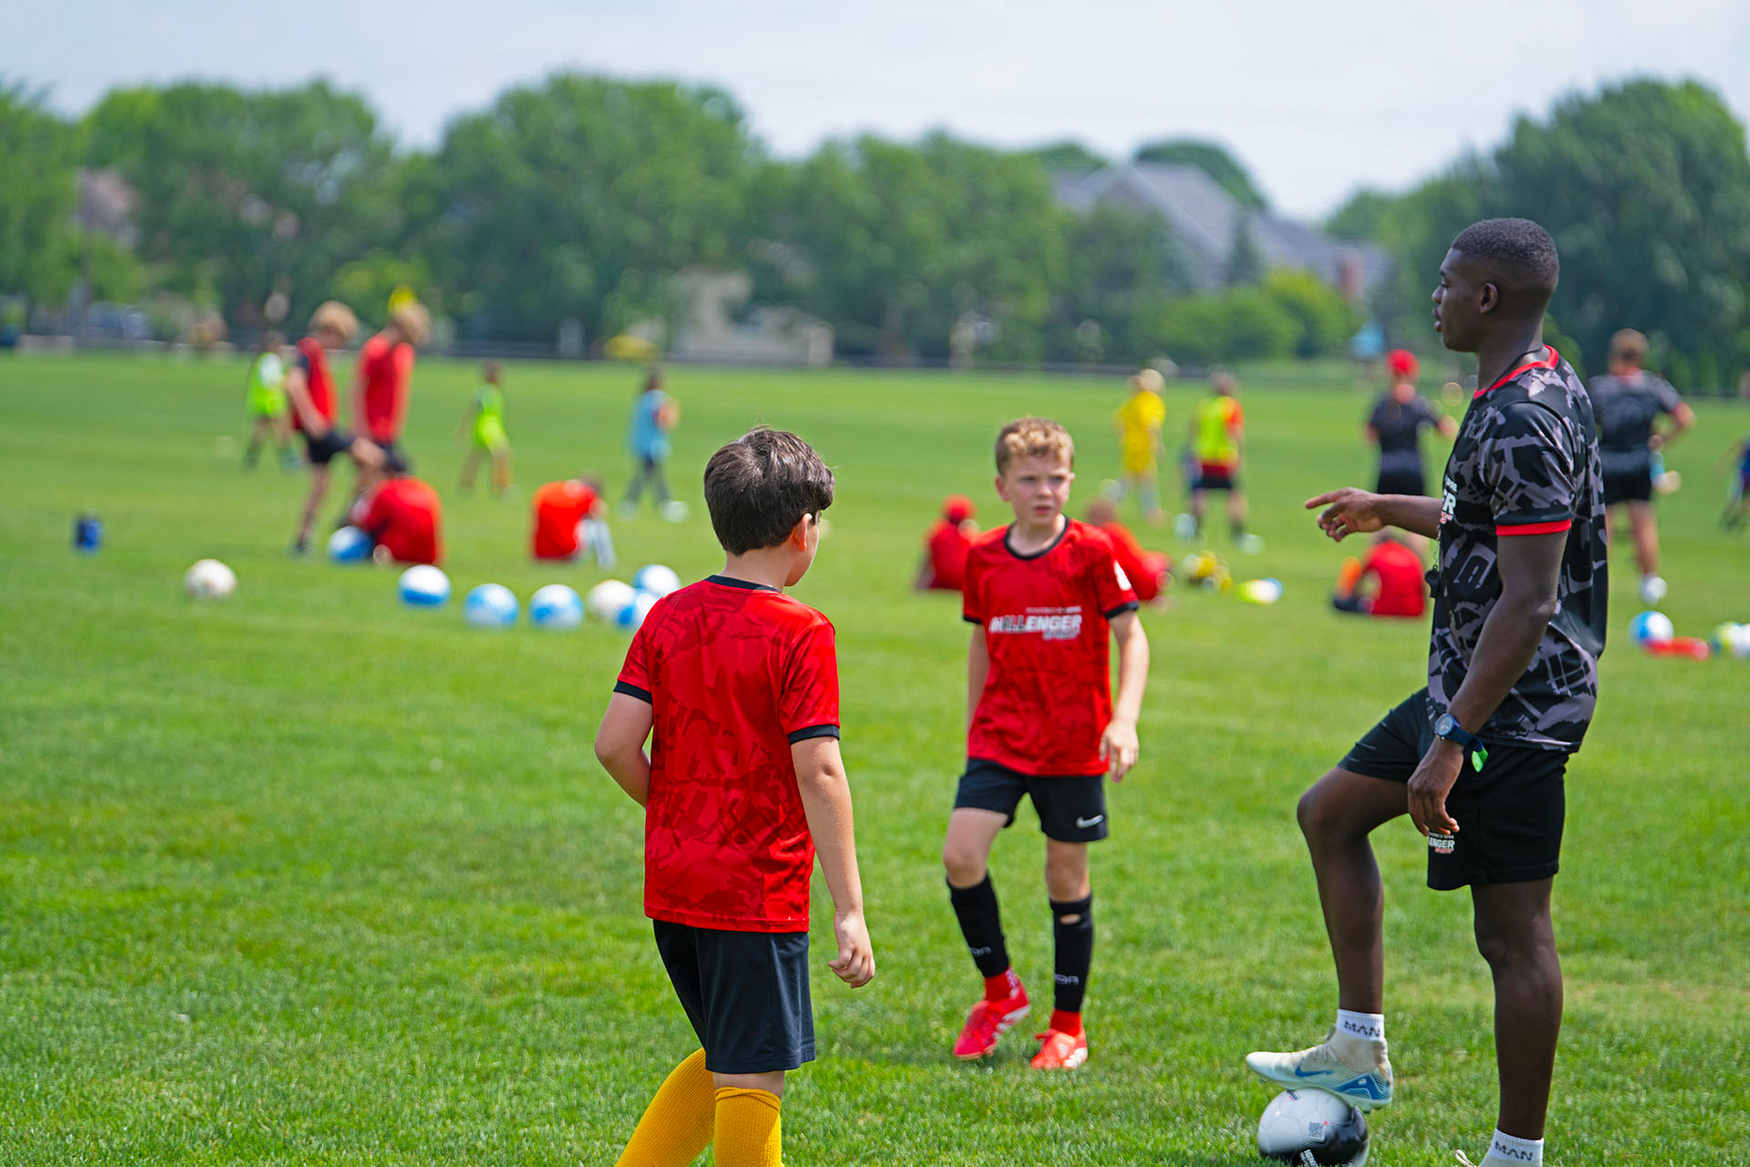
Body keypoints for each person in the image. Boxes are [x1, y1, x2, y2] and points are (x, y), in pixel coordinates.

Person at [1248, 218, 1606, 1167]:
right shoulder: (1518, 387)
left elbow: (1529, 601)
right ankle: (1358, 1046)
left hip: (1512, 710)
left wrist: (1452, 740)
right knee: (1328, 812)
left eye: (1450, 283)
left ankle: (1515, 1155)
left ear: (1487, 298)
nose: (1437, 296)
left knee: (1514, 936)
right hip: (1467, 687)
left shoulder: (1526, 415)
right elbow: (1484, 520)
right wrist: (1389, 512)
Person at [593, 427, 874, 1167]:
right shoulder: (802, 632)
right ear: (800, 531)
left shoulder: (667, 614)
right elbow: (820, 771)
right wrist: (849, 906)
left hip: (676, 882)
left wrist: (676, 812)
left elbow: (614, 744)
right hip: (755, 890)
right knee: (752, 1074)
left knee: (730, 1054)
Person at [942, 418, 1150, 1071]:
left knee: (1065, 875)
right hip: (1001, 735)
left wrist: (1125, 719)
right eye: (1029, 479)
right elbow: (980, 639)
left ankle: (1067, 1027)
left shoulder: (1092, 552)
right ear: (1002, 486)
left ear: (1070, 480)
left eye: (1056, 478)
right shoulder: (983, 556)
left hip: (1071, 741)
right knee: (960, 855)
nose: (1044, 490)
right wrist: (975, 719)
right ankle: (1000, 991)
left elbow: (1133, 637)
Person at [1588, 328, 1694, 604]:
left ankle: (1596, 583)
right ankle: (1650, 584)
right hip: (1640, 459)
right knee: (1643, 523)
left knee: (1604, 525)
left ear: (1614, 356)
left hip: (1607, 459)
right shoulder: (1653, 386)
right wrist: (1660, 441)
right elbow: (1684, 418)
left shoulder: (1600, 387)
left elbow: (1585, 425)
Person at [284, 302, 384, 556]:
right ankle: (351, 517)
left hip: (321, 429)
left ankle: (302, 541)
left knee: (320, 487)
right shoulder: (309, 349)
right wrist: (310, 417)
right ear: (331, 331)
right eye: (341, 338)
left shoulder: (315, 353)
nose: (340, 345)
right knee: (373, 459)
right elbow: (293, 383)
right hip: (321, 430)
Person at [350, 300, 430, 494]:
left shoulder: (404, 353)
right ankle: (351, 520)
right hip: (371, 430)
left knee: (378, 484)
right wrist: (360, 429)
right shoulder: (376, 350)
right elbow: (357, 390)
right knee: (384, 480)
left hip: (389, 430)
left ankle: (354, 519)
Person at [1367, 349, 1456, 496]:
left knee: (1386, 515)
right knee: (1415, 515)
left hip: (1387, 467)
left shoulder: (1382, 402)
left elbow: (1369, 435)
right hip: (1413, 468)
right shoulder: (1419, 402)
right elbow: (1446, 430)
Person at [1188, 371, 1259, 551]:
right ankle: (1238, 534)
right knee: (1235, 496)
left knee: (1200, 493)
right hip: (1224, 457)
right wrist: (1240, 454)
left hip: (1204, 456)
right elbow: (1234, 432)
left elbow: (1194, 429)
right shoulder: (1230, 406)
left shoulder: (1204, 405)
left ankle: (1196, 530)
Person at [351, 459, 443, 566]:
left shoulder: (386, 491)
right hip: (430, 557)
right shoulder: (426, 489)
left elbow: (368, 524)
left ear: (387, 472)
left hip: (397, 555)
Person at [1085, 497, 1170, 605]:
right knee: (1159, 561)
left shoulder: (1103, 535)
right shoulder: (1114, 531)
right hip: (1140, 578)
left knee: (1158, 562)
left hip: (1137, 583)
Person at [622, 367, 681, 518]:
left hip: (642, 443)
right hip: (652, 445)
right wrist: (672, 414)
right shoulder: (658, 398)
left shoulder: (643, 398)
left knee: (648, 475)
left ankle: (632, 503)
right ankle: (661, 504)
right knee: (651, 476)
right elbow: (661, 420)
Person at [1112, 368, 1168, 525]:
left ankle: (1111, 501)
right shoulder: (1151, 400)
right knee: (1144, 479)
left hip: (1131, 445)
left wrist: (1126, 438)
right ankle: (1150, 512)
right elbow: (1151, 424)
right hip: (1144, 446)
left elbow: (1118, 422)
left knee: (1133, 477)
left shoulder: (1133, 400)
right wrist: (1157, 443)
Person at [1330, 533, 1426, 619]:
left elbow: (1357, 587)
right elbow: (1422, 588)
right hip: (1414, 611)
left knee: (1339, 601)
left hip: (1384, 609)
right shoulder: (1411, 556)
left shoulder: (1376, 553)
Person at [531, 475, 615, 567]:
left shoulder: (550, 489)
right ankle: (606, 563)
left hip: (541, 554)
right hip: (568, 554)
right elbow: (601, 510)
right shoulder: (587, 495)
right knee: (597, 525)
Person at [242, 332, 296, 471]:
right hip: (270, 403)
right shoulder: (271, 360)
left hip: (264, 402)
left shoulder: (262, 359)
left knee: (261, 432)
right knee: (282, 431)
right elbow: (271, 380)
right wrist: (287, 384)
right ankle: (288, 460)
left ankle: (251, 459)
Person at [458, 360, 512, 496]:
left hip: (491, 430)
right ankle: (502, 487)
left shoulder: (493, 392)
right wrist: (463, 428)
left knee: (477, 458)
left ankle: (467, 484)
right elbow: (473, 410)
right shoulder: (486, 393)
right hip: (487, 431)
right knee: (501, 455)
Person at [917, 495, 978, 592]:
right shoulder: (971, 535)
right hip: (963, 584)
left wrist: (918, 586)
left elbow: (926, 562)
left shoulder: (938, 533)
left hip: (941, 583)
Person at [1720, 436, 1750, 531]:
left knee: (1736, 496)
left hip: (1744, 474)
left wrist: (1733, 463)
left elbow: (1741, 453)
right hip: (1745, 474)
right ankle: (1739, 518)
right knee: (1745, 499)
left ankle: (1727, 516)